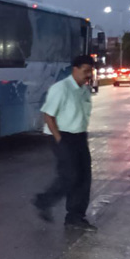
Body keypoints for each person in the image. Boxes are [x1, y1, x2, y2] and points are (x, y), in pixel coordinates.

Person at [33, 55, 97, 232]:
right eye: (85, 71)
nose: (88, 75)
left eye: (90, 71)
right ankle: (44, 201)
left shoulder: (84, 89)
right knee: (70, 175)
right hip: (62, 136)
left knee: (84, 176)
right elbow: (48, 115)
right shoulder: (60, 89)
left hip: (79, 137)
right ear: (74, 69)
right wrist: (59, 139)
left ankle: (75, 218)